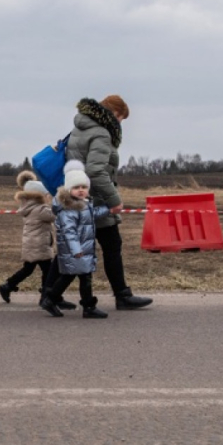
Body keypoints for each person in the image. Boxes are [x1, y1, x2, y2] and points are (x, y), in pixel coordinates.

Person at [65, 95, 153, 310]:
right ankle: (122, 296)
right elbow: (95, 170)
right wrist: (114, 199)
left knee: (74, 248)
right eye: (121, 118)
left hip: (79, 197)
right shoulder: (102, 133)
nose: (121, 124)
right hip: (97, 200)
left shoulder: (80, 128)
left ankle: (49, 294)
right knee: (111, 246)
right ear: (114, 113)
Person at [40, 161, 111, 318]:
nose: (81, 190)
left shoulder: (84, 204)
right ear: (69, 189)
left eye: (83, 187)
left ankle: (84, 306)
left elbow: (92, 216)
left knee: (81, 277)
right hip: (75, 250)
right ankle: (57, 301)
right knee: (73, 277)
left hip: (83, 249)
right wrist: (76, 249)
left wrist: (108, 209)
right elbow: (69, 231)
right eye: (76, 187)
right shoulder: (68, 208)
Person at [0, 171, 69, 307]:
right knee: (48, 271)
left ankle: (8, 285)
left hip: (33, 243)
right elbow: (56, 216)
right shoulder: (41, 209)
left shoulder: (28, 207)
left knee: (29, 269)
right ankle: (46, 296)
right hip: (39, 244)